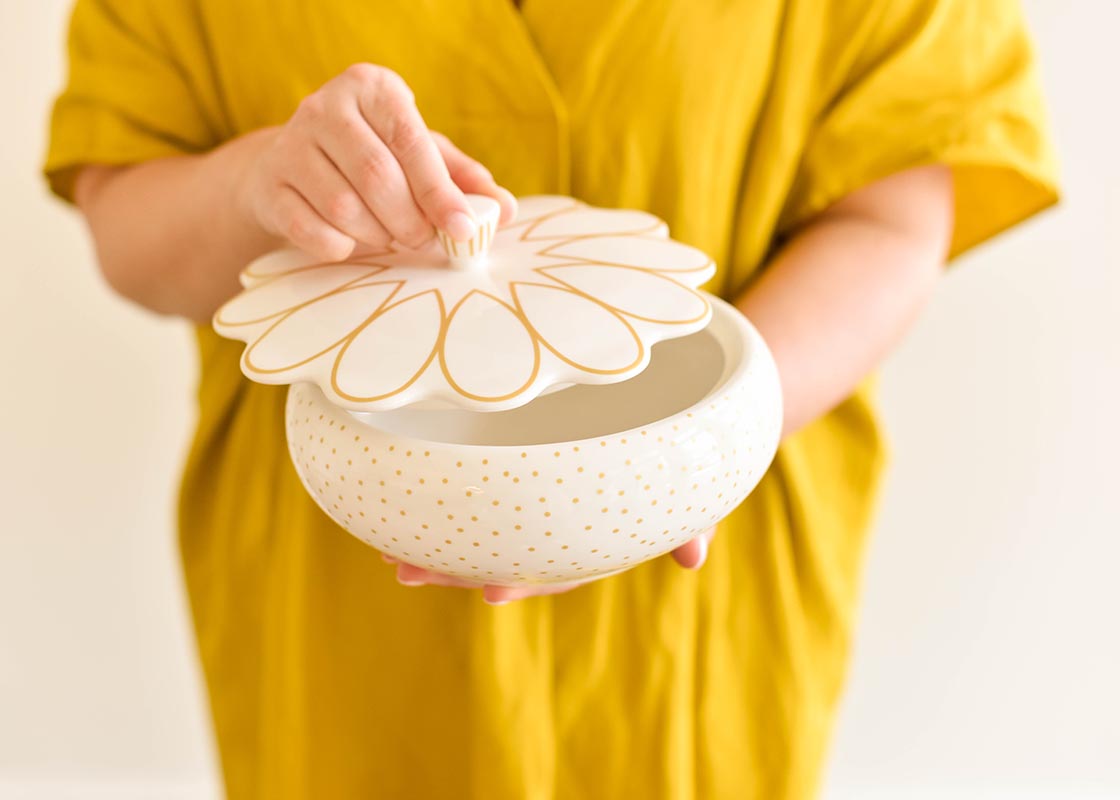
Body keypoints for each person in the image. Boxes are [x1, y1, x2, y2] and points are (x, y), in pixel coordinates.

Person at [44, 0, 1057, 797]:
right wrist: (254, 186)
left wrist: (705, 444)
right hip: (334, 589)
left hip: (702, 586)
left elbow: (894, 212)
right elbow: (124, 218)